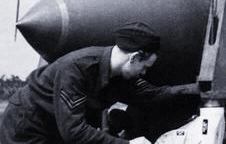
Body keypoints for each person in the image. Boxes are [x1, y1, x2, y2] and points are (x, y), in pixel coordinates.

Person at [0, 21, 200, 144]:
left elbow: (152, 95)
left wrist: (200, 90)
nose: (144, 72)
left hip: (55, 127)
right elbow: (74, 131)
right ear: (134, 57)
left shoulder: (121, 76)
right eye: (144, 67)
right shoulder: (77, 69)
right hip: (27, 125)